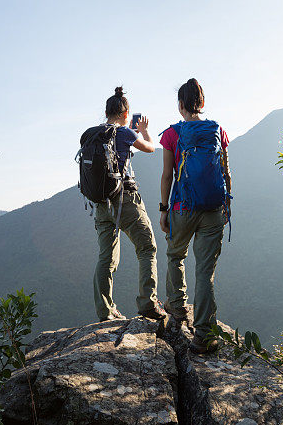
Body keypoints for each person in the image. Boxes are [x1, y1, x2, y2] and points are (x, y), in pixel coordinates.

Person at [159, 78, 231, 354]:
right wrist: (225, 206)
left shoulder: (171, 134)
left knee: (176, 255)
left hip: (182, 208)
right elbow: (225, 172)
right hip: (213, 208)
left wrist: (164, 209)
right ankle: (204, 335)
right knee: (205, 272)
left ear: (180, 106)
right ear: (202, 103)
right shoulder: (218, 131)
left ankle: (176, 308)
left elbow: (167, 176)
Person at [93, 87, 166, 321]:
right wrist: (143, 131)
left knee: (106, 258)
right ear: (126, 114)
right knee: (147, 248)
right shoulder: (125, 133)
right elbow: (151, 147)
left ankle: (105, 311)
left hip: (100, 203)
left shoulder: (92, 134)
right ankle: (148, 302)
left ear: (106, 112)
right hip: (125, 200)